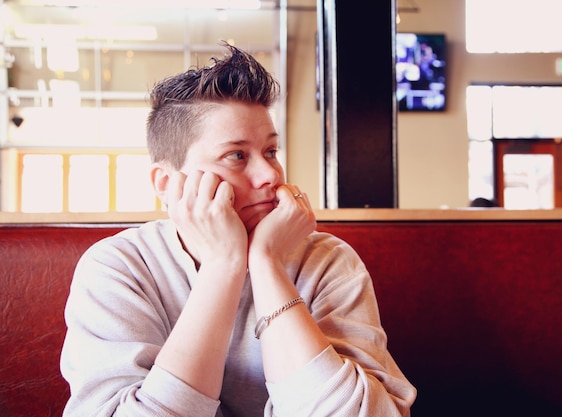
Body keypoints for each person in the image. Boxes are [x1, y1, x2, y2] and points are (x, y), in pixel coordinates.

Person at [60, 42, 417, 417]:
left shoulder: (328, 262)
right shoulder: (117, 267)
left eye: (271, 152)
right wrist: (223, 266)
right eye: (237, 156)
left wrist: (266, 264)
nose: (270, 175)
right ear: (166, 183)